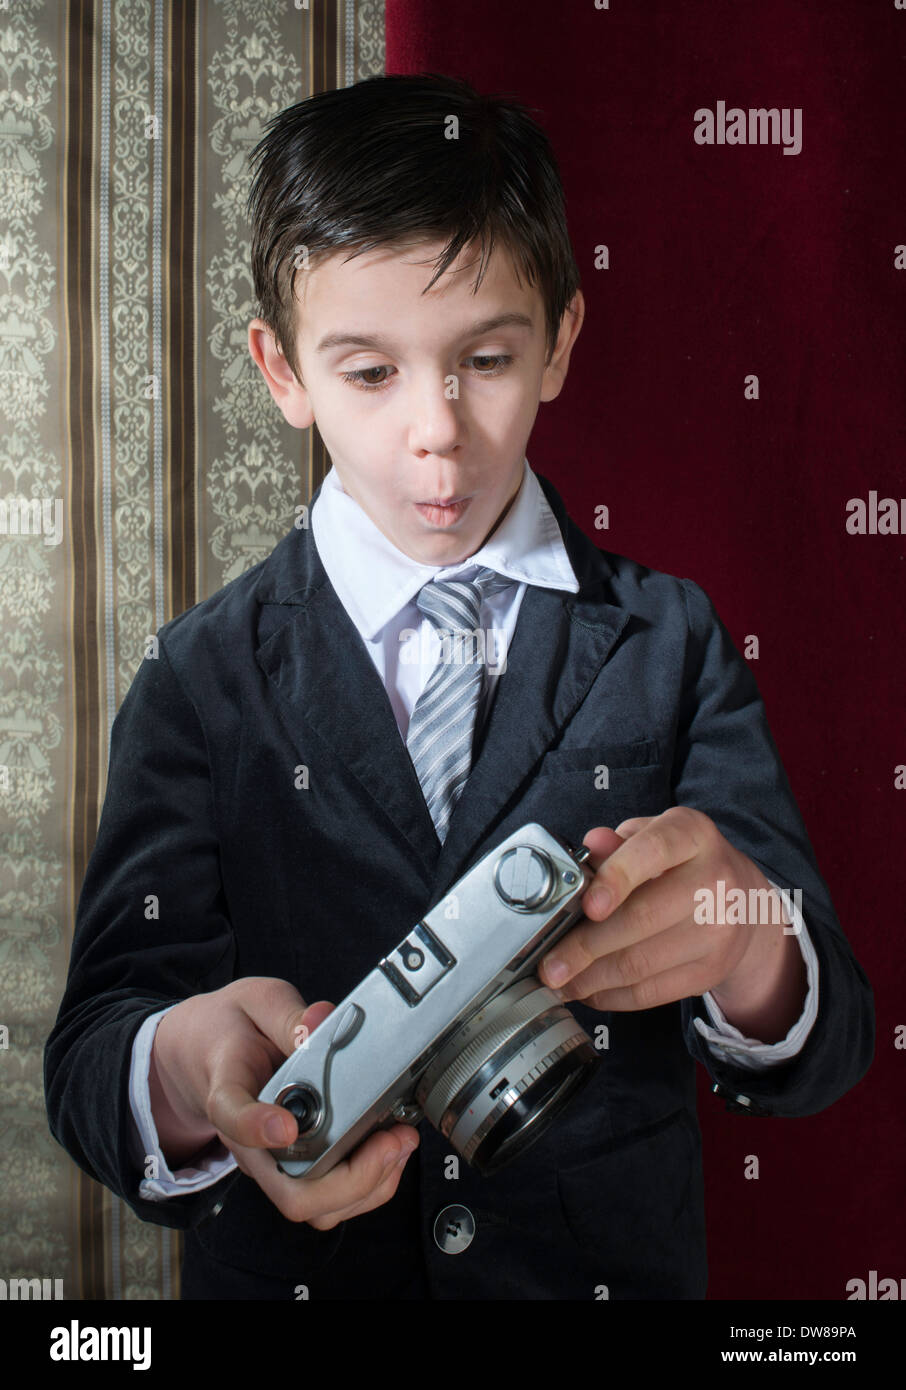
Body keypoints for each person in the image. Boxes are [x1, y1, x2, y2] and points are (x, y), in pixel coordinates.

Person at [44, 72, 874, 1301]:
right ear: (281, 371)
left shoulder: (670, 638)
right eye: (369, 373)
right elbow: (91, 1052)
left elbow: (833, 1038)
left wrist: (748, 939)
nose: (436, 429)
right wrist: (184, 1070)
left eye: (486, 356)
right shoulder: (201, 680)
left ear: (561, 342)